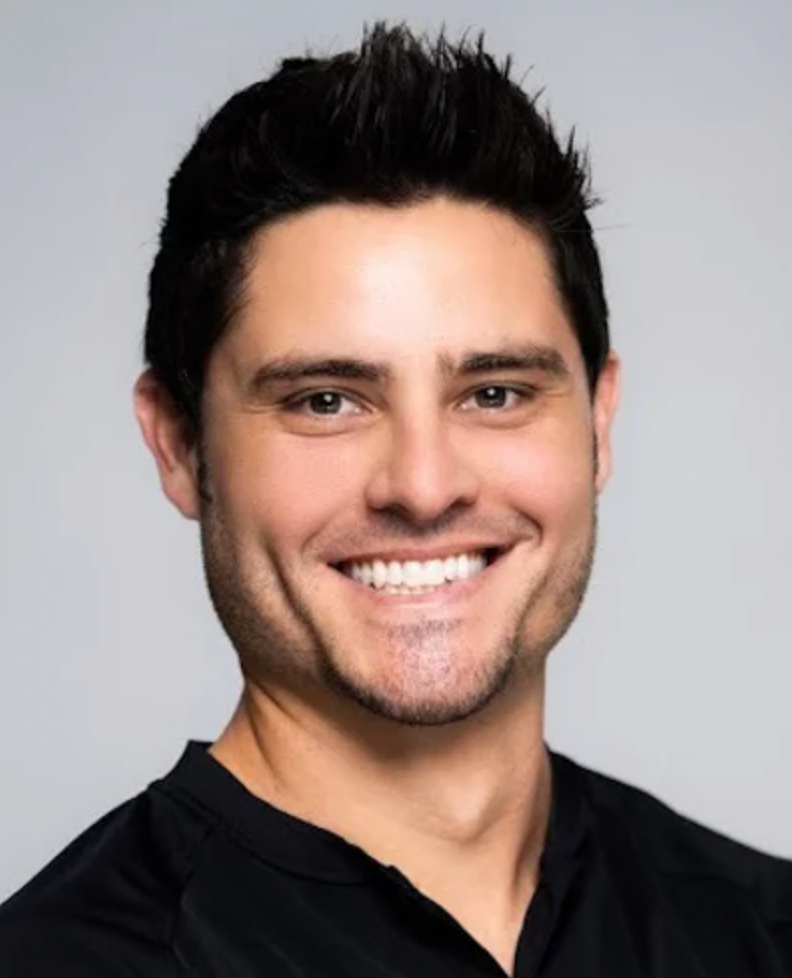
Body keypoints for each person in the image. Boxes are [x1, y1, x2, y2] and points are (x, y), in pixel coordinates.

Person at [1, 21, 790, 978]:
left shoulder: (761, 930)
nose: (423, 486)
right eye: (325, 401)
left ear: (598, 422)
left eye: (494, 393)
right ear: (178, 445)